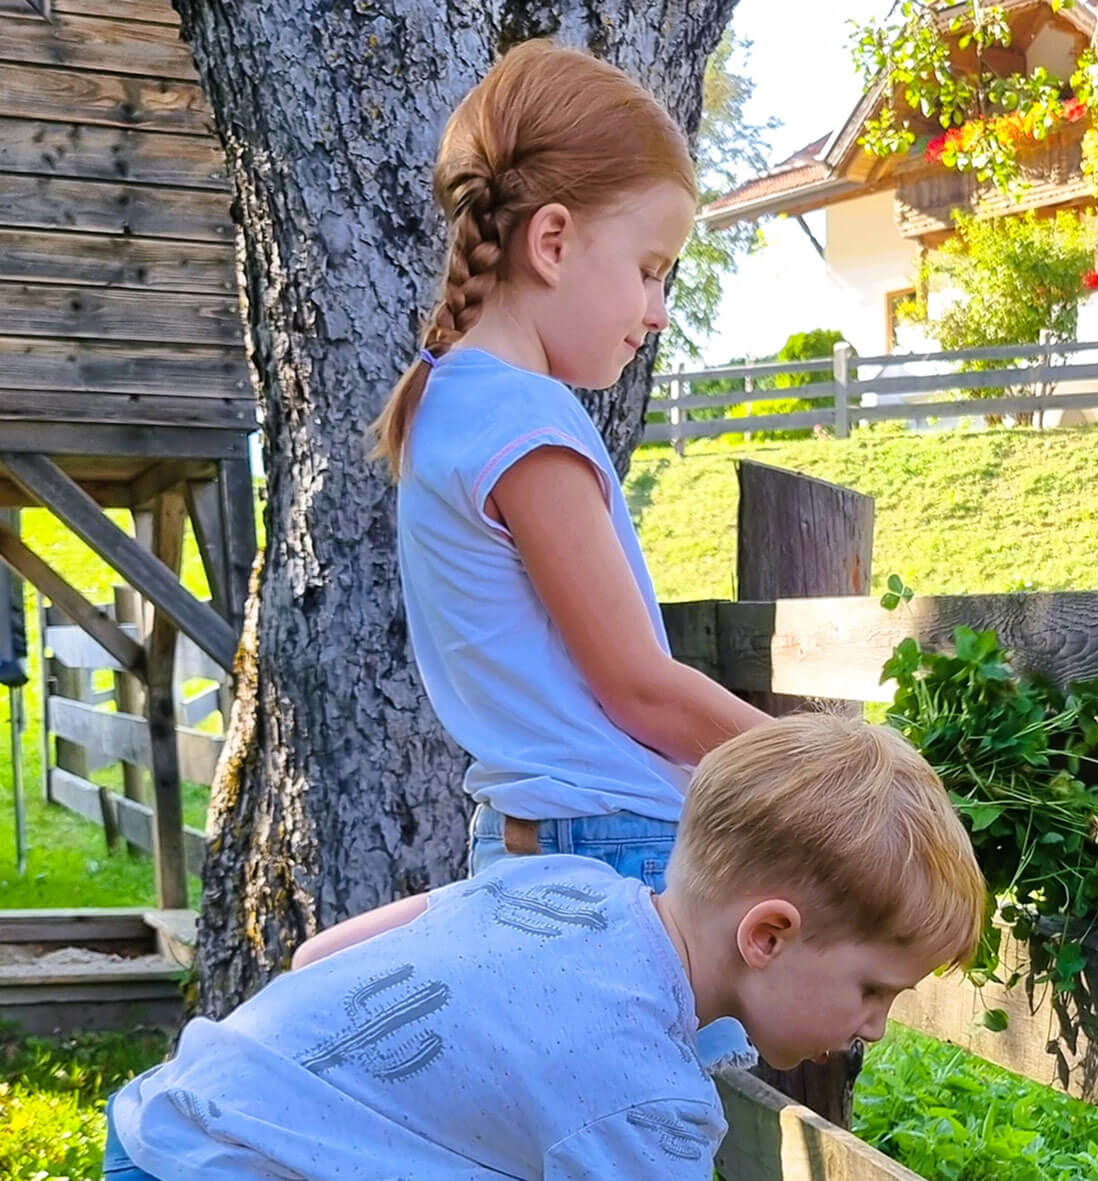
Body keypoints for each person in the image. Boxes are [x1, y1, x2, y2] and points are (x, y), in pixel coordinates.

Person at [103, 713, 987, 1179]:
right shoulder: (646, 1097)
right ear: (768, 933)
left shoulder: (561, 882)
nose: (876, 1027)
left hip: (174, 1107)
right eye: (875, 989)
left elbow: (317, 955)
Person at [370, 38, 770, 888]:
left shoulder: (447, 396)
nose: (658, 311)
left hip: (529, 839)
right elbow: (640, 689)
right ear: (552, 241)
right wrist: (825, 765)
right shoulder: (524, 419)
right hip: (614, 845)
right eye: (649, 270)